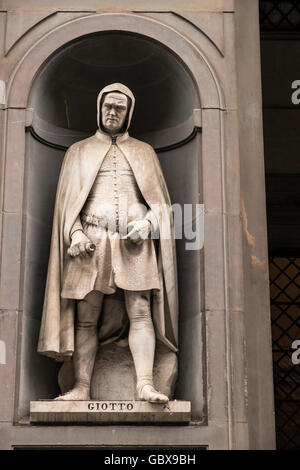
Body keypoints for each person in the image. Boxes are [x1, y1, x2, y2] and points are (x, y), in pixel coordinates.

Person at [38, 83, 178, 404]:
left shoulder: (145, 151)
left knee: (141, 310)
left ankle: (144, 384)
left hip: (134, 242)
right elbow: (66, 206)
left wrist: (147, 224)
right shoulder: (78, 151)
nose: (112, 112)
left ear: (129, 113)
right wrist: (74, 234)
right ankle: (82, 387)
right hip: (91, 240)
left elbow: (162, 207)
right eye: (108, 106)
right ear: (99, 108)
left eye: (120, 108)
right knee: (87, 315)